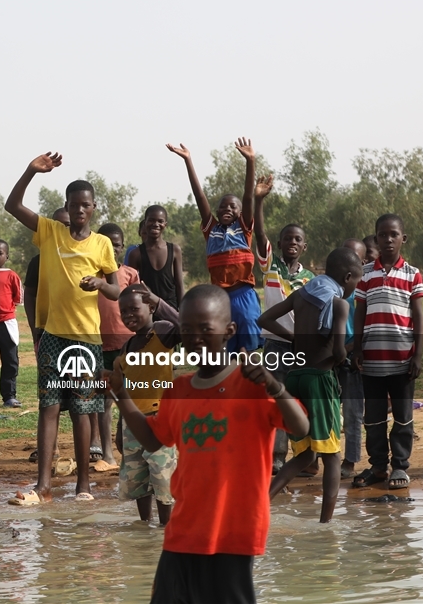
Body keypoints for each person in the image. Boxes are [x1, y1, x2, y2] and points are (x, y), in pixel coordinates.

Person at [107, 285, 309, 604]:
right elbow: (152, 438)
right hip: (183, 530)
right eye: (187, 330)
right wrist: (121, 395)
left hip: (234, 534)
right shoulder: (178, 390)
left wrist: (275, 386)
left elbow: (300, 426)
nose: (195, 338)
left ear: (229, 331)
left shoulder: (251, 383)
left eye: (205, 329)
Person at [4, 153, 121, 505]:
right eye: (74, 205)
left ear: (94, 207)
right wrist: (30, 171)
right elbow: (12, 205)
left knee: (83, 410)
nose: (80, 211)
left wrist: (99, 285)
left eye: (85, 205)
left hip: (86, 340)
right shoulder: (50, 232)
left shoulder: (101, 244)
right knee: (49, 406)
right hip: (54, 337)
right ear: (67, 207)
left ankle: (83, 484)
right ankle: (43, 484)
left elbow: (116, 290)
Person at [261, 247, 364, 522]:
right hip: (320, 380)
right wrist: (357, 345)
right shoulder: (339, 303)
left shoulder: (304, 293)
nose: (356, 288)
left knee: (306, 455)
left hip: (295, 377)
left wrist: (294, 339)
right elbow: (340, 353)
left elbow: (265, 319)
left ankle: (260, 503)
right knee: (331, 455)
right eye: (356, 282)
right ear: (348, 277)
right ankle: (326, 525)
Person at [352, 214, 423, 490]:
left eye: (394, 234)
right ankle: (378, 466)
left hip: (403, 360)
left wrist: (417, 355)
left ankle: (400, 467)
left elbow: (418, 316)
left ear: (402, 238)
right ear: (376, 238)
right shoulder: (366, 273)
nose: (388, 239)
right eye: (383, 235)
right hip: (371, 360)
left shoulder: (412, 274)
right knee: (374, 417)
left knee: (403, 416)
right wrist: (357, 348)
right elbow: (360, 313)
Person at [168, 138, 261, 352]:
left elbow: (248, 197)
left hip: (244, 296)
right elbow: (199, 195)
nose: (227, 209)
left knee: (248, 351)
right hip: (219, 298)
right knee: (222, 350)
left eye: (232, 206)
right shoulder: (212, 230)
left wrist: (250, 162)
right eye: (222, 206)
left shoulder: (243, 228)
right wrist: (188, 160)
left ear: (240, 212)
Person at [254, 174, 314, 472]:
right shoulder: (270, 266)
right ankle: (277, 457)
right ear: (278, 244)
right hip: (275, 345)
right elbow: (259, 233)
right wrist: (259, 200)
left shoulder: (310, 279)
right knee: (276, 398)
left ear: (304, 246)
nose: (292, 242)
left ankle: (305, 455)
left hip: (301, 346)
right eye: (287, 238)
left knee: (299, 399)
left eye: (297, 239)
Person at [110, 284, 180, 524]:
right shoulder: (126, 348)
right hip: (133, 425)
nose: (129, 315)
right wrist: (120, 428)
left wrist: (160, 301)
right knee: (138, 480)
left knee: (162, 480)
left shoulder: (162, 332)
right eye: (124, 312)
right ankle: (144, 525)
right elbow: (124, 391)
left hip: (160, 419)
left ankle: (166, 528)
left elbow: (187, 328)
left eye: (134, 309)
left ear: (150, 308)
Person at [92, 223, 139, 468]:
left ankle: (128, 451)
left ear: (121, 247)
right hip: (99, 345)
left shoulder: (130, 274)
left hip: (126, 345)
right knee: (104, 401)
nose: (111, 249)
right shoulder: (91, 276)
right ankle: (107, 454)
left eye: (116, 245)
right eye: (106, 244)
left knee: (128, 399)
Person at [339, 237, 368, 479]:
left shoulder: (363, 290)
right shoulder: (330, 288)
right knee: (326, 411)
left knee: (352, 413)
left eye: (355, 257)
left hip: (352, 358)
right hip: (331, 358)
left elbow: (365, 328)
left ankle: (350, 461)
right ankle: (323, 455)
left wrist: (348, 350)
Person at [23, 207, 70, 354]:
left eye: (67, 225)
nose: (61, 229)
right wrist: (34, 327)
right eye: (57, 224)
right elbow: (30, 294)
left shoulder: (82, 257)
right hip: (46, 330)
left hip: (76, 330)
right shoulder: (38, 261)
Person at [0, 239, 23, 408]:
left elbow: (18, 298)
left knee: (10, 361)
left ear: (6, 256)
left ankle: (9, 396)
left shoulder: (12, 275)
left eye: (0, 253)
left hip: (7, 324)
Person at [126, 205, 184, 309]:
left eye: (160, 221)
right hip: (147, 309)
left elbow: (179, 284)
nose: (156, 224)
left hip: (170, 308)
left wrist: (183, 310)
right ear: (145, 223)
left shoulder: (175, 250)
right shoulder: (136, 254)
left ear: (165, 225)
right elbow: (133, 287)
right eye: (151, 220)